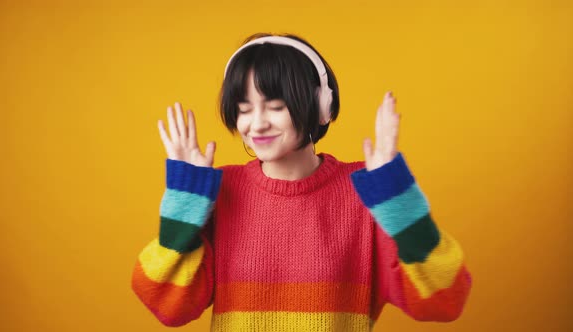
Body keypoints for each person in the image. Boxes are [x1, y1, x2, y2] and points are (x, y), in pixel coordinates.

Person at [131, 32, 472, 331]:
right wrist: (184, 201)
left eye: (275, 106)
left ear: (322, 106)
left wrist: (395, 194)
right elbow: (166, 304)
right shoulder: (218, 190)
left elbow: (444, 299)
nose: (257, 124)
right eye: (244, 108)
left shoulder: (368, 192)